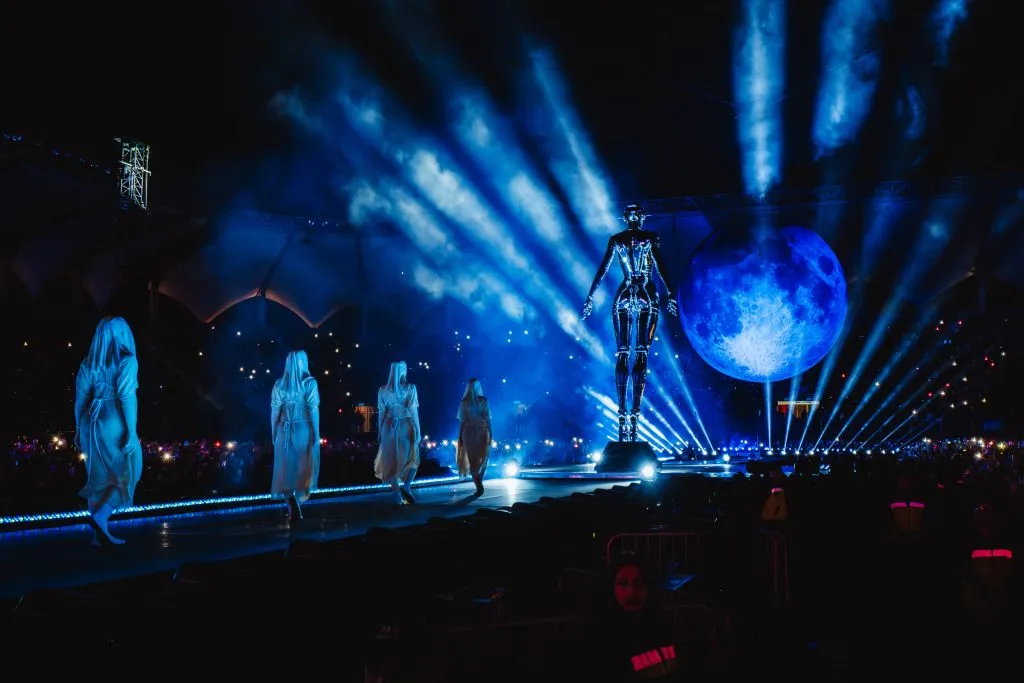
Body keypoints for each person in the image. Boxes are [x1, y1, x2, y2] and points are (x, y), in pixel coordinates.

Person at [582, 203, 677, 442]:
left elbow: (602, 270)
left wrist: (590, 296)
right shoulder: (649, 237)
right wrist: (671, 292)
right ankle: (633, 414)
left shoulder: (617, 240)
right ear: (640, 217)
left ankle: (623, 414)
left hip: (623, 293)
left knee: (623, 353)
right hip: (646, 292)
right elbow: (660, 265)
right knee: (641, 354)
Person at [74, 316, 142, 546]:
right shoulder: (126, 361)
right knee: (129, 472)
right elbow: (127, 397)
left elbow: (80, 400)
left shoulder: (89, 363)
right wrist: (131, 432)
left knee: (98, 478)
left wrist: (78, 428)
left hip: (90, 421)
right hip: (113, 418)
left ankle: (98, 534)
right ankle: (101, 516)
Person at [270, 350, 321, 522]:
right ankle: (296, 502)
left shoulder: (279, 384)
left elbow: (275, 412)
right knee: (303, 466)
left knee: (285, 468)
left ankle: (292, 502)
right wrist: (316, 432)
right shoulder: (309, 383)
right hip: (303, 427)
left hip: (283, 428)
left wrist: (273, 432)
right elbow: (313, 410)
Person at [374, 361, 421, 505]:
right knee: (412, 457)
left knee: (390, 462)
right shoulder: (410, 388)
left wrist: (380, 430)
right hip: (405, 424)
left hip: (388, 425)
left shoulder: (383, 390)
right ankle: (406, 486)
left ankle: (397, 496)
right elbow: (413, 411)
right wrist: (418, 431)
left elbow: (381, 412)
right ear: (403, 371)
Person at [456, 378, 492, 496]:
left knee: (479, 460)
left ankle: (478, 485)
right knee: (481, 460)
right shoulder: (482, 401)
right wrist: (491, 433)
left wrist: (460, 436)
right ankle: (479, 485)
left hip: (470, 432)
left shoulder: (465, 402)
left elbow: (462, 421)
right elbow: (487, 419)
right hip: (479, 431)